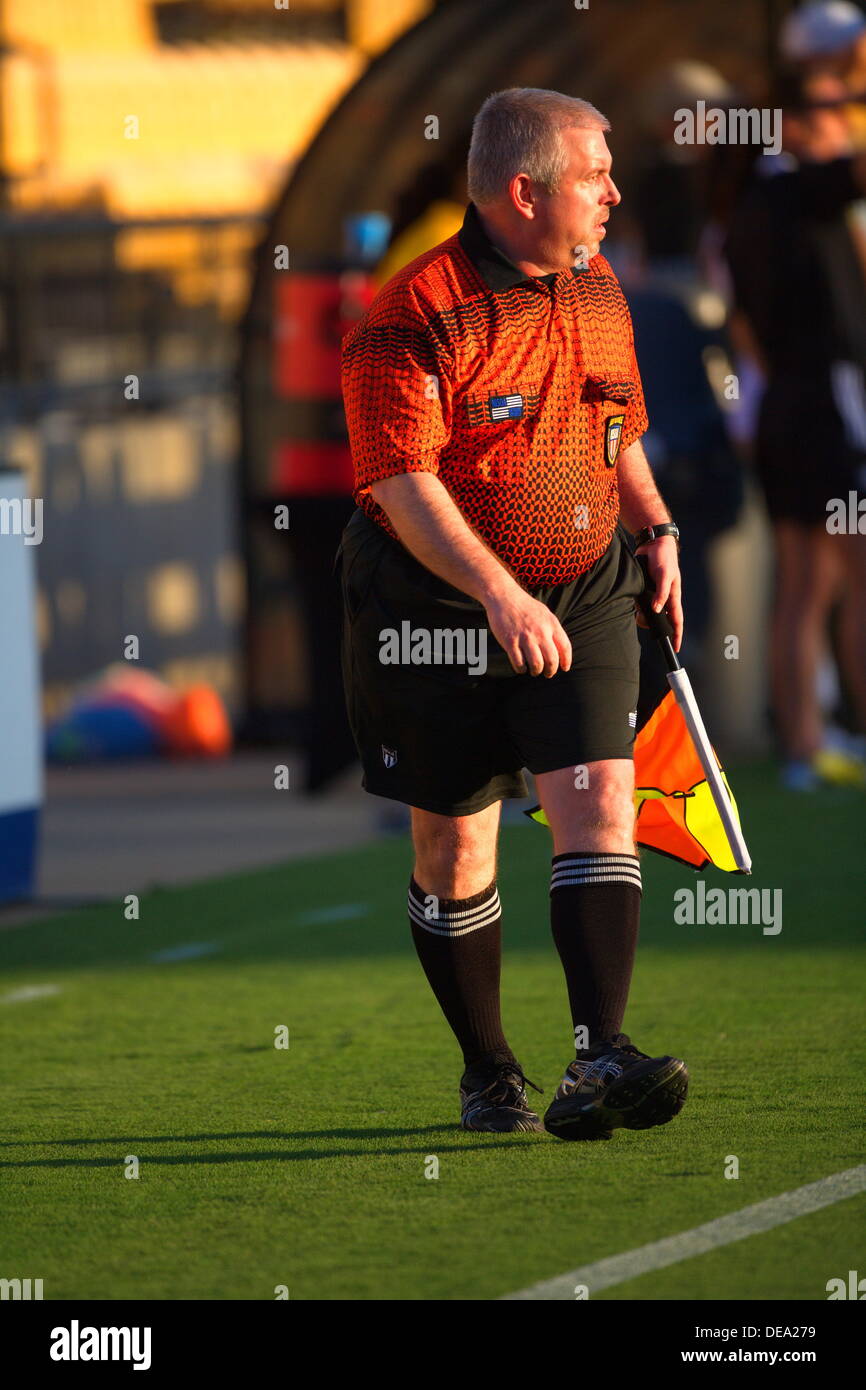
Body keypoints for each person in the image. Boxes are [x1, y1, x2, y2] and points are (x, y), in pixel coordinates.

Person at [338, 88, 688, 1140]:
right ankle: (489, 1070)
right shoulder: (411, 315)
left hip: (583, 589)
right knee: (455, 849)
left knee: (596, 804)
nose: (614, 193)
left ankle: (597, 1057)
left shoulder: (595, 284)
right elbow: (401, 482)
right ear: (522, 190)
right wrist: (493, 593)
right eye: (594, 174)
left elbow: (614, 418)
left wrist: (655, 526)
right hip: (432, 603)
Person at [724, 76, 866, 789]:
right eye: (828, 110)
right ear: (787, 125)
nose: (842, 121)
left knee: (805, 585)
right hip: (821, 408)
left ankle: (805, 747)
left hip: (788, 405)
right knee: (849, 576)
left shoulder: (757, 200)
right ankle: (824, 738)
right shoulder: (792, 192)